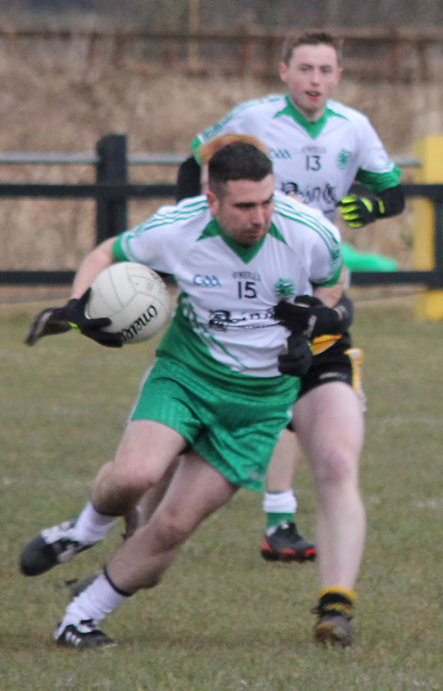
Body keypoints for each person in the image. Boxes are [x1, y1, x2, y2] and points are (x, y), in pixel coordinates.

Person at [19, 141, 347, 649]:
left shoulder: (308, 232)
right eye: (243, 206)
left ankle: (78, 619)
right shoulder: (177, 228)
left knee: (172, 525)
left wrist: (315, 327)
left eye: (266, 202)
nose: (259, 217)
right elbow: (108, 251)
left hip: (259, 404)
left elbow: (333, 284)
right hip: (187, 375)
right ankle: (83, 531)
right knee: (134, 476)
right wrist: (77, 305)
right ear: (212, 201)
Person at [176, 32, 405, 641]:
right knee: (247, 392)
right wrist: (190, 226)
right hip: (251, 274)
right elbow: (193, 160)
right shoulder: (252, 119)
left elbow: (393, 195)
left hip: (321, 281)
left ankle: (294, 541)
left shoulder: (354, 127)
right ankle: (142, 504)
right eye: (304, 67)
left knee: (307, 398)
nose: (315, 78)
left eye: (326, 69)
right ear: (284, 70)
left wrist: (367, 212)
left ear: (337, 75)